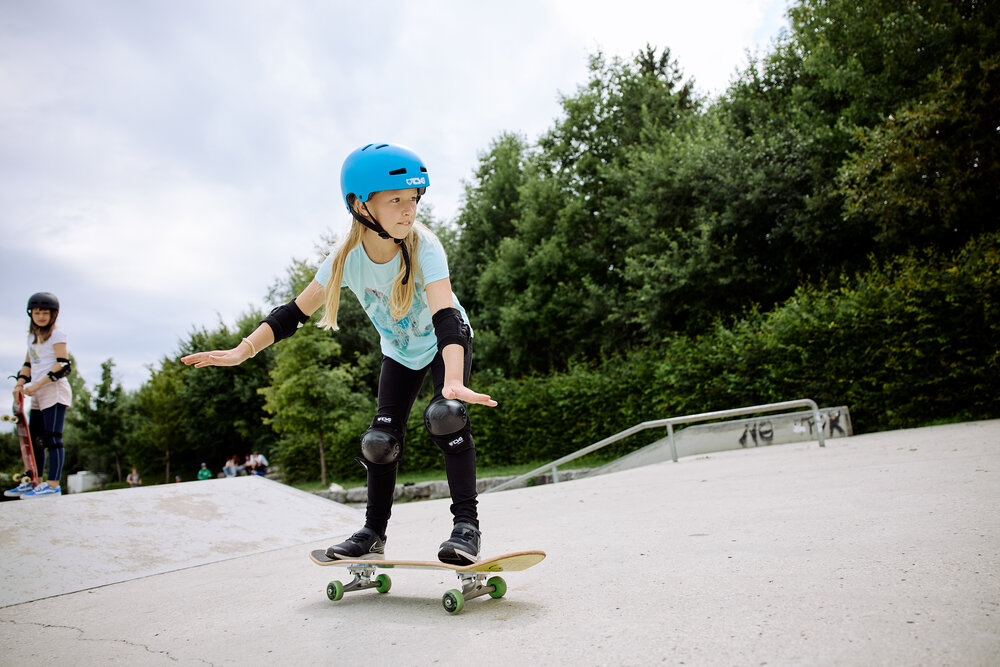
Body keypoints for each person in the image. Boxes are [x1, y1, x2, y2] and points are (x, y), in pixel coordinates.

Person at [182, 143, 497, 565]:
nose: (409, 210)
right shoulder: (344, 260)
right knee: (379, 443)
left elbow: (447, 317)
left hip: (446, 345)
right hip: (401, 354)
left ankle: (466, 527)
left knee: (446, 416)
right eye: (396, 200)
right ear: (360, 205)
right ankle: (372, 533)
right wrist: (243, 351)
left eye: (414, 199)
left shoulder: (425, 247)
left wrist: (454, 380)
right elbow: (292, 313)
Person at [5, 292, 72, 498]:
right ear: (31, 314)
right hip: (37, 393)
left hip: (54, 389)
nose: (41, 316)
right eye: (37, 312)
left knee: (53, 438)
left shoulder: (57, 335)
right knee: (35, 441)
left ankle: (52, 485)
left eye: (45, 313)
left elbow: (63, 364)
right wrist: (20, 383)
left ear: (53, 315)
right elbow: (28, 364)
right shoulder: (31, 338)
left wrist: (38, 384)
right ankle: (36, 482)